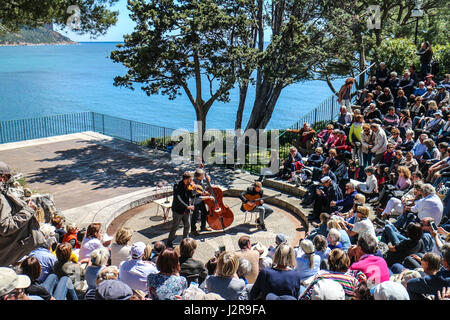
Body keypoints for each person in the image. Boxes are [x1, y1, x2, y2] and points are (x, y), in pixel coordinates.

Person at [0, 161, 45, 267]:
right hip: (7, 255)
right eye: (7, 176)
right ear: (2, 177)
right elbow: (5, 226)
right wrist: (28, 210)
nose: (7, 180)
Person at [167, 172, 195, 248]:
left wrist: (194, 190)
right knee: (175, 227)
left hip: (186, 210)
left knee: (187, 225)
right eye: (190, 179)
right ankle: (169, 242)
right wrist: (187, 206)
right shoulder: (177, 186)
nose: (192, 180)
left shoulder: (189, 186)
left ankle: (185, 242)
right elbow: (179, 199)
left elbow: (191, 196)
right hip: (178, 210)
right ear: (186, 179)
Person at [190, 169, 213, 236]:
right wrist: (208, 197)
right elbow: (197, 197)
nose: (204, 176)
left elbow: (203, 190)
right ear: (198, 176)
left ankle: (203, 227)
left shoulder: (201, 181)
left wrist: (209, 181)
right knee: (195, 216)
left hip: (201, 201)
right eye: (202, 175)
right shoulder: (194, 185)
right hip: (195, 202)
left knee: (204, 213)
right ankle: (193, 230)